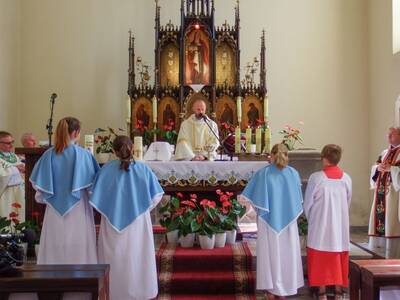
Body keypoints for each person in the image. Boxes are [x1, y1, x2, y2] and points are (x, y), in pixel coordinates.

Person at [30, 117, 99, 300]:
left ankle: (51, 290)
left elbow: (39, 189)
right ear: (76, 133)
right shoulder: (84, 155)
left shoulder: (48, 155)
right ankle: (79, 292)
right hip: (78, 212)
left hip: (54, 213)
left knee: (54, 248)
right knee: (79, 248)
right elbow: (94, 188)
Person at [90, 135, 164, 300]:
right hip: (138, 222)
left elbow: (94, 196)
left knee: (113, 258)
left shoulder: (106, 169)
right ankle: (139, 292)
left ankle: (112, 293)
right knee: (137, 256)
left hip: (111, 222)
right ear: (132, 148)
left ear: (114, 151)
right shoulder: (143, 169)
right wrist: (142, 208)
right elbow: (156, 196)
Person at [240, 143, 304, 299]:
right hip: (288, 224)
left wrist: (260, 211)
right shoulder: (293, 173)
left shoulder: (263, 174)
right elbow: (298, 200)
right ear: (286, 155)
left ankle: (270, 290)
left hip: (267, 222)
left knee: (269, 254)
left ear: (271, 155)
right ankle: (285, 289)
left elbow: (252, 200)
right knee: (287, 253)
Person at [304, 144, 352, 300]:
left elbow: (308, 203)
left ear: (324, 158)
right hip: (339, 226)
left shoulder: (316, 178)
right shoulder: (346, 178)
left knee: (320, 259)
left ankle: (322, 292)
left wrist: (311, 219)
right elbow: (347, 201)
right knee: (337, 257)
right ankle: (339, 292)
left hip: (320, 225)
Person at [368, 127, 400, 248]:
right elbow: (376, 166)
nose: (389, 136)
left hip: (394, 193)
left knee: (392, 218)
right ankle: (380, 245)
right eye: (388, 134)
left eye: (392, 134)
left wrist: (391, 169)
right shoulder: (384, 152)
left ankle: (393, 247)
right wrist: (377, 168)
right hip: (381, 191)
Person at [0, 131, 25, 222]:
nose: (11, 145)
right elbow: (2, 175)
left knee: (20, 216)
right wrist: (16, 169)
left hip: (19, 191)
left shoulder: (14, 156)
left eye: (12, 142)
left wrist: (23, 168)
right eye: (8, 143)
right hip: (5, 194)